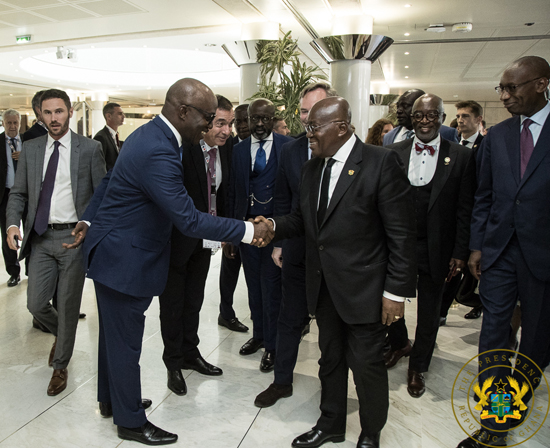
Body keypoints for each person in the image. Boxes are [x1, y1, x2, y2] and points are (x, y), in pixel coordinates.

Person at [72, 78, 272, 445]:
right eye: (208, 117)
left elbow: (109, 183)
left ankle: (112, 401)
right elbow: (189, 219)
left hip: (115, 249)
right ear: (183, 111)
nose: (211, 125)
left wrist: (88, 220)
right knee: (127, 343)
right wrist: (246, 230)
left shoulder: (151, 135)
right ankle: (130, 420)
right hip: (123, 259)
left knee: (114, 340)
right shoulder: (160, 150)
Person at [262, 96, 417, 448]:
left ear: (342, 127)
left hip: (365, 290)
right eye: (306, 127)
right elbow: (302, 220)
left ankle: (370, 433)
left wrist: (396, 293)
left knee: (366, 367)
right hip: (323, 287)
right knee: (329, 360)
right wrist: (271, 225)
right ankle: (330, 423)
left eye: (314, 128)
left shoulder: (381, 162)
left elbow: (402, 234)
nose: (309, 135)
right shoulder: (312, 167)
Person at [458, 56, 550, 448]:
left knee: (535, 343)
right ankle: (496, 422)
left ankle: (518, 398)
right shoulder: (497, 136)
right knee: (493, 336)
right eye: (502, 88)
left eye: (513, 88)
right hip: (499, 254)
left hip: (544, 257)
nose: (505, 95)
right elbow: (484, 196)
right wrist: (477, 246)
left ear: (542, 84)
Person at [6, 89, 106, 397]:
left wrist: (87, 224)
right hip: (40, 237)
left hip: (73, 239)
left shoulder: (90, 149)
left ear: (70, 112)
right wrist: (12, 223)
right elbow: (19, 193)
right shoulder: (32, 148)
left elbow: (103, 194)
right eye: (47, 113)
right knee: (35, 304)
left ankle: (60, 364)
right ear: (39, 115)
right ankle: (64, 335)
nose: (54, 118)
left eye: (59, 111)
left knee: (67, 304)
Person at [385, 94, 476, 398]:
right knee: (389, 299)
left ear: (441, 117)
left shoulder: (460, 156)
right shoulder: (393, 152)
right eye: (419, 116)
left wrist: (460, 253)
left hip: (438, 248)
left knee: (429, 310)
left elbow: (465, 209)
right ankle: (399, 343)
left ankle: (418, 366)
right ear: (411, 119)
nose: (425, 121)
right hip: (398, 245)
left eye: (431, 115)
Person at [254, 81, 337, 408]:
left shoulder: (351, 154)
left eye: (315, 111)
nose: (307, 118)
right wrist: (278, 244)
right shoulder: (289, 150)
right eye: (303, 111)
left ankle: (331, 395)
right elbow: (283, 200)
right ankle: (282, 381)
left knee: (331, 328)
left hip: (335, 257)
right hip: (298, 250)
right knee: (288, 318)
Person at [159, 94, 235, 397]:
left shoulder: (225, 152)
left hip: (206, 240)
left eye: (229, 124)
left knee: (194, 301)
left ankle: (191, 353)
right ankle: (173, 363)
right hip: (177, 241)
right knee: (173, 305)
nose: (226, 131)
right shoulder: (183, 149)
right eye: (219, 123)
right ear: (204, 122)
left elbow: (223, 194)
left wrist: (227, 233)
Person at [228, 98, 292, 372]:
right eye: (256, 119)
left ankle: (273, 346)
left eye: (266, 119)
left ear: (273, 119)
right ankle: (259, 336)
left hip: (275, 233)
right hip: (246, 233)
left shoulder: (287, 147)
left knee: (272, 288)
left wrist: (285, 238)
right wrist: (233, 235)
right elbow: (233, 193)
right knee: (253, 287)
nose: (260, 124)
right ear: (249, 118)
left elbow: (292, 194)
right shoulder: (238, 150)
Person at [440, 100, 485, 325]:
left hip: (477, 217)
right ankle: (442, 312)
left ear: (478, 120)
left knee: (470, 271)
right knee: (452, 271)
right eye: (458, 116)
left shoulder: (486, 146)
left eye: (466, 116)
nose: (460, 120)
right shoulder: (449, 146)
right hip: (453, 220)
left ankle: (475, 301)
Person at [218, 103, 250, 332]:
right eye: (237, 122)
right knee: (230, 268)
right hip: (233, 220)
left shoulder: (275, 146)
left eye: (245, 120)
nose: (242, 126)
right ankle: (226, 313)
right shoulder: (226, 146)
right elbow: (225, 188)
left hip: (258, 222)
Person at [383, 89, 458, 145]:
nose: (399, 111)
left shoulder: (447, 133)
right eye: (398, 106)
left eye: (405, 106)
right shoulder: (389, 136)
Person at [1, 109, 22, 287]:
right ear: (3, 123)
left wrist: (24, 158)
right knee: (8, 235)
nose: (12, 126)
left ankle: (34, 270)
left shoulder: (30, 143)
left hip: (28, 194)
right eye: (9, 123)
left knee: (32, 232)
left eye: (15, 123)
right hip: (5, 195)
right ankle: (13, 272)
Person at [93, 102, 125, 170]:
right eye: (119, 114)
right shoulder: (101, 137)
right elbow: (99, 164)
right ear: (109, 116)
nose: (123, 116)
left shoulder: (115, 136)